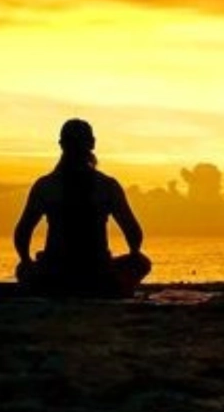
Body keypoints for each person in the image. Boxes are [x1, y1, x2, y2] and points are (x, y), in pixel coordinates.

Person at [13, 118, 152, 297]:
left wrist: (26, 260)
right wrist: (133, 253)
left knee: (23, 269)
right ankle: (114, 289)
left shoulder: (46, 186)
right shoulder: (107, 186)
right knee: (141, 262)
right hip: (97, 272)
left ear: (61, 145)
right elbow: (133, 233)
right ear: (92, 143)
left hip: (55, 272)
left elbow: (22, 233)